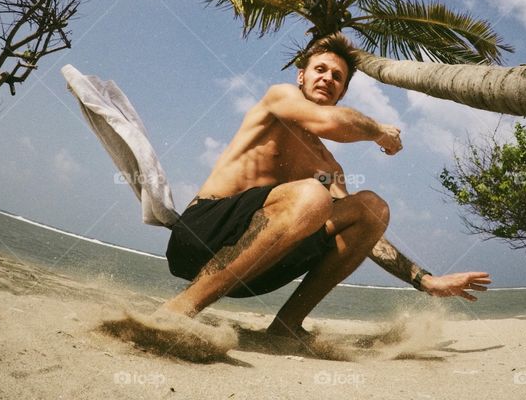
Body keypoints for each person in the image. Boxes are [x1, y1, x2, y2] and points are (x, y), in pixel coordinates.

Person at [163, 33, 492, 339]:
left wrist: (425, 280)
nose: (328, 79)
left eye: (338, 77)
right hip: (201, 237)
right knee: (313, 195)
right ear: (301, 76)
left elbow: (367, 236)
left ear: (342, 92)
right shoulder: (280, 99)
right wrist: (379, 132)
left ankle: (286, 326)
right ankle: (180, 308)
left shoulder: (328, 168)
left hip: (254, 272)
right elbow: (331, 123)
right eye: (320, 69)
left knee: (370, 208)